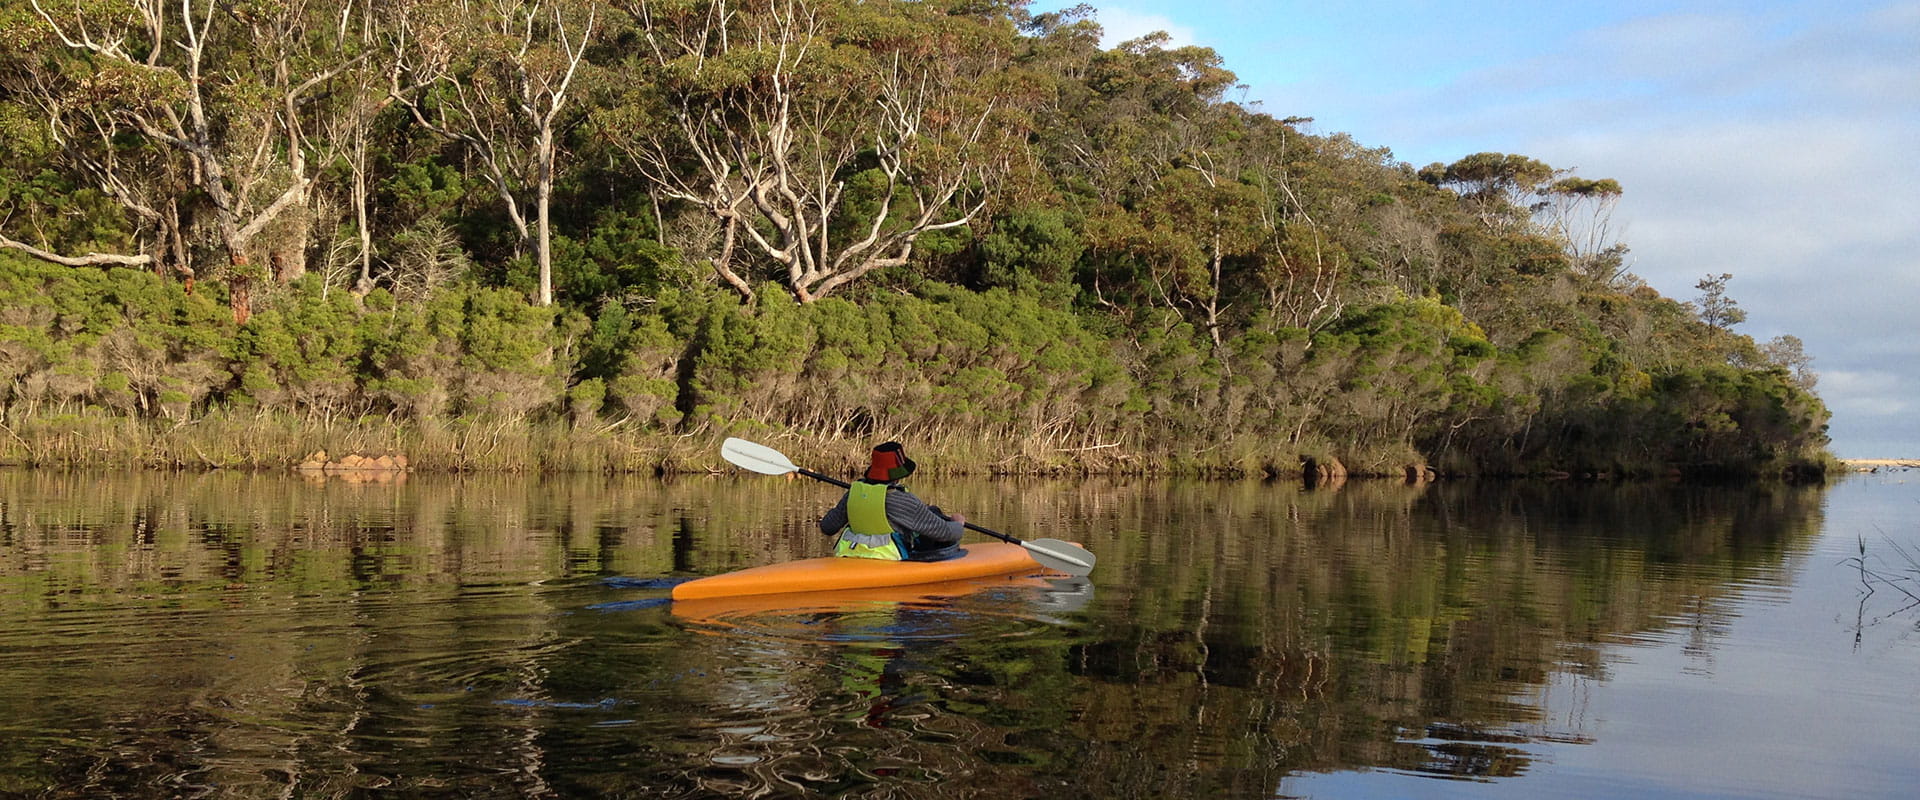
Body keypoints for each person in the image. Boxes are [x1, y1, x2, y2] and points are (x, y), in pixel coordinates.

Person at [818, 441, 966, 562]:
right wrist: (958, 524)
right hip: (888, 562)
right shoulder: (903, 500)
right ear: (898, 475)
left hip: (848, 558)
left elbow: (827, 527)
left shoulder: (852, 494)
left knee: (934, 512)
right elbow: (945, 533)